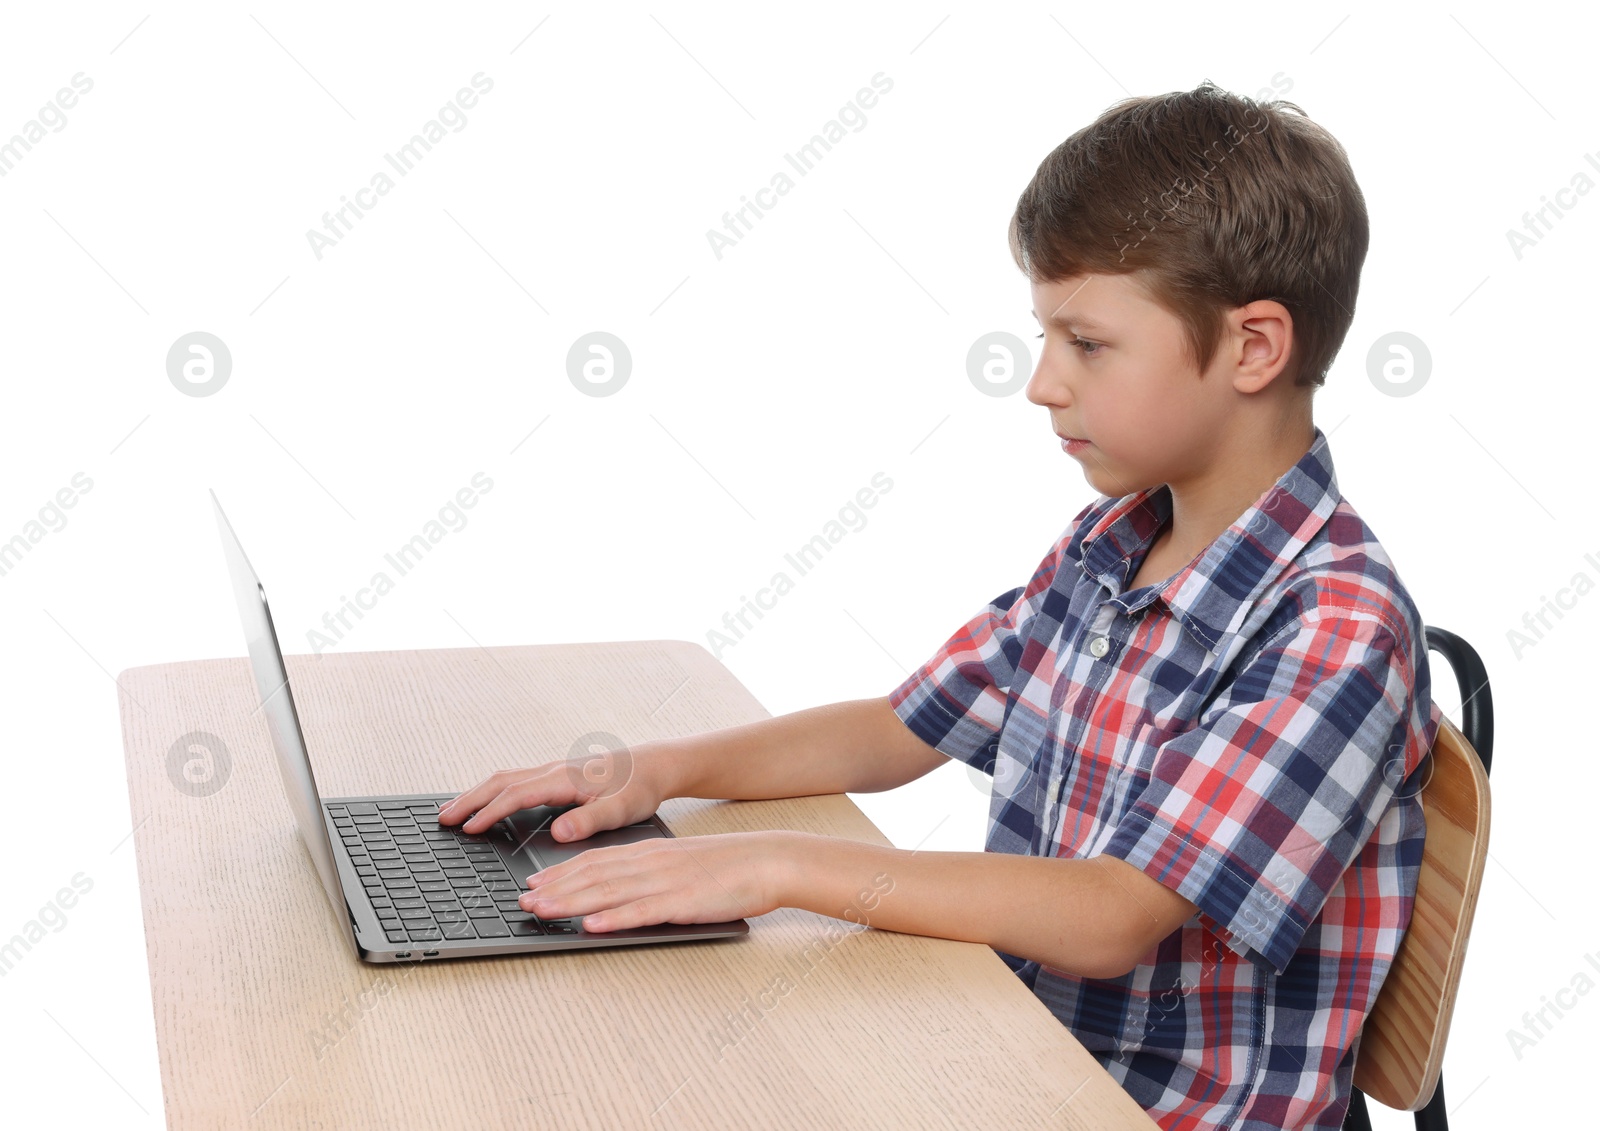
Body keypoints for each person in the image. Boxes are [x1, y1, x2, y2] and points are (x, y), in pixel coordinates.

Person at [440, 80, 1442, 1130]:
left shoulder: (1332, 630)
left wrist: (781, 865)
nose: (1041, 383)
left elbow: (1109, 916)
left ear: (1252, 348)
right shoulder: (1112, 548)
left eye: (1086, 343)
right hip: (1010, 1051)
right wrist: (663, 771)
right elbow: (897, 729)